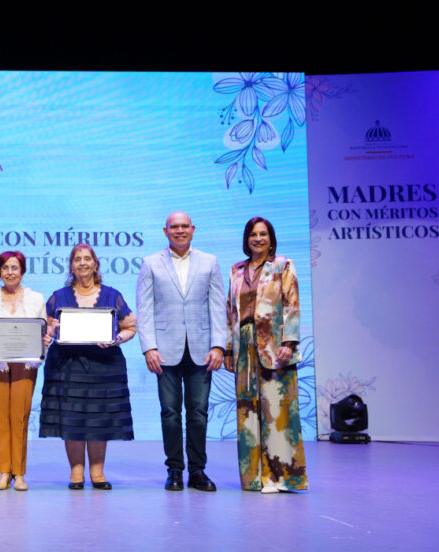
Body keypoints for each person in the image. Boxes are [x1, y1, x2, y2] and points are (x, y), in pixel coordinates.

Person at [136, 211, 226, 492]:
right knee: (170, 414)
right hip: (164, 350)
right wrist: (148, 347)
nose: (179, 231)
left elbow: (217, 306)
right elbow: (145, 309)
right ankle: (174, 470)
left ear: (193, 229)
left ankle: (198, 471)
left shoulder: (209, 262)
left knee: (198, 412)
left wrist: (218, 345)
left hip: (201, 349)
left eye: (184, 226)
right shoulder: (151, 263)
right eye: (174, 227)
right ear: (165, 231)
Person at [39, 243, 137, 490]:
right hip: (66, 366)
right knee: (71, 419)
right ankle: (76, 473)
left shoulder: (112, 295)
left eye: (87, 259)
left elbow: (130, 328)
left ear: (95, 263)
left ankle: (98, 473)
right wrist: (50, 330)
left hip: (104, 366)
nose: (82, 263)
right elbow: (46, 330)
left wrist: (116, 339)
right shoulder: (58, 296)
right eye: (77, 259)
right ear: (71, 266)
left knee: (98, 418)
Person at [225, 217, 308, 493]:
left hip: (275, 345)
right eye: (252, 234)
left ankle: (280, 476)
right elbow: (230, 313)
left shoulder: (282, 265)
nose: (257, 238)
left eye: (263, 234)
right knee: (247, 412)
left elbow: (292, 305)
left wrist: (290, 341)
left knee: (277, 411)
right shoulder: (236, 270)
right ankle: (253, 477)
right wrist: (228, 349)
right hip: (244, 347)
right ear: (246, 239)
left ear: (271, 239)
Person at [0, 251, 49, 491]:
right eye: (5, 268)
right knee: (0, 418)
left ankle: (20, 473)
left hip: (25, 365)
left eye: (14, 267)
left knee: (20, 417)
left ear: (22, 271)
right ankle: (4, 472)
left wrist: (45, 341)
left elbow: (43, 333)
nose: (10, 272)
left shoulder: (37, 299)